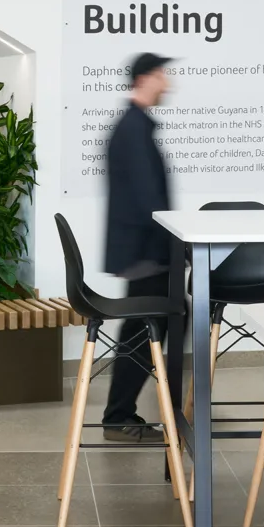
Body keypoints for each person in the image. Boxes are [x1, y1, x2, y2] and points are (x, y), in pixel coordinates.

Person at [101, 53, 176, 444]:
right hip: (147, 255)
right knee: (144, 333)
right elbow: (148, 201)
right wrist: (172, 249)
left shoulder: (135, 126)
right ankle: (119, 416)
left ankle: (123, 413)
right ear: (146, 78)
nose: (168, 82)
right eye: (163, 74)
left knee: (144, 332)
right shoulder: (134, 129)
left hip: (145, 253)